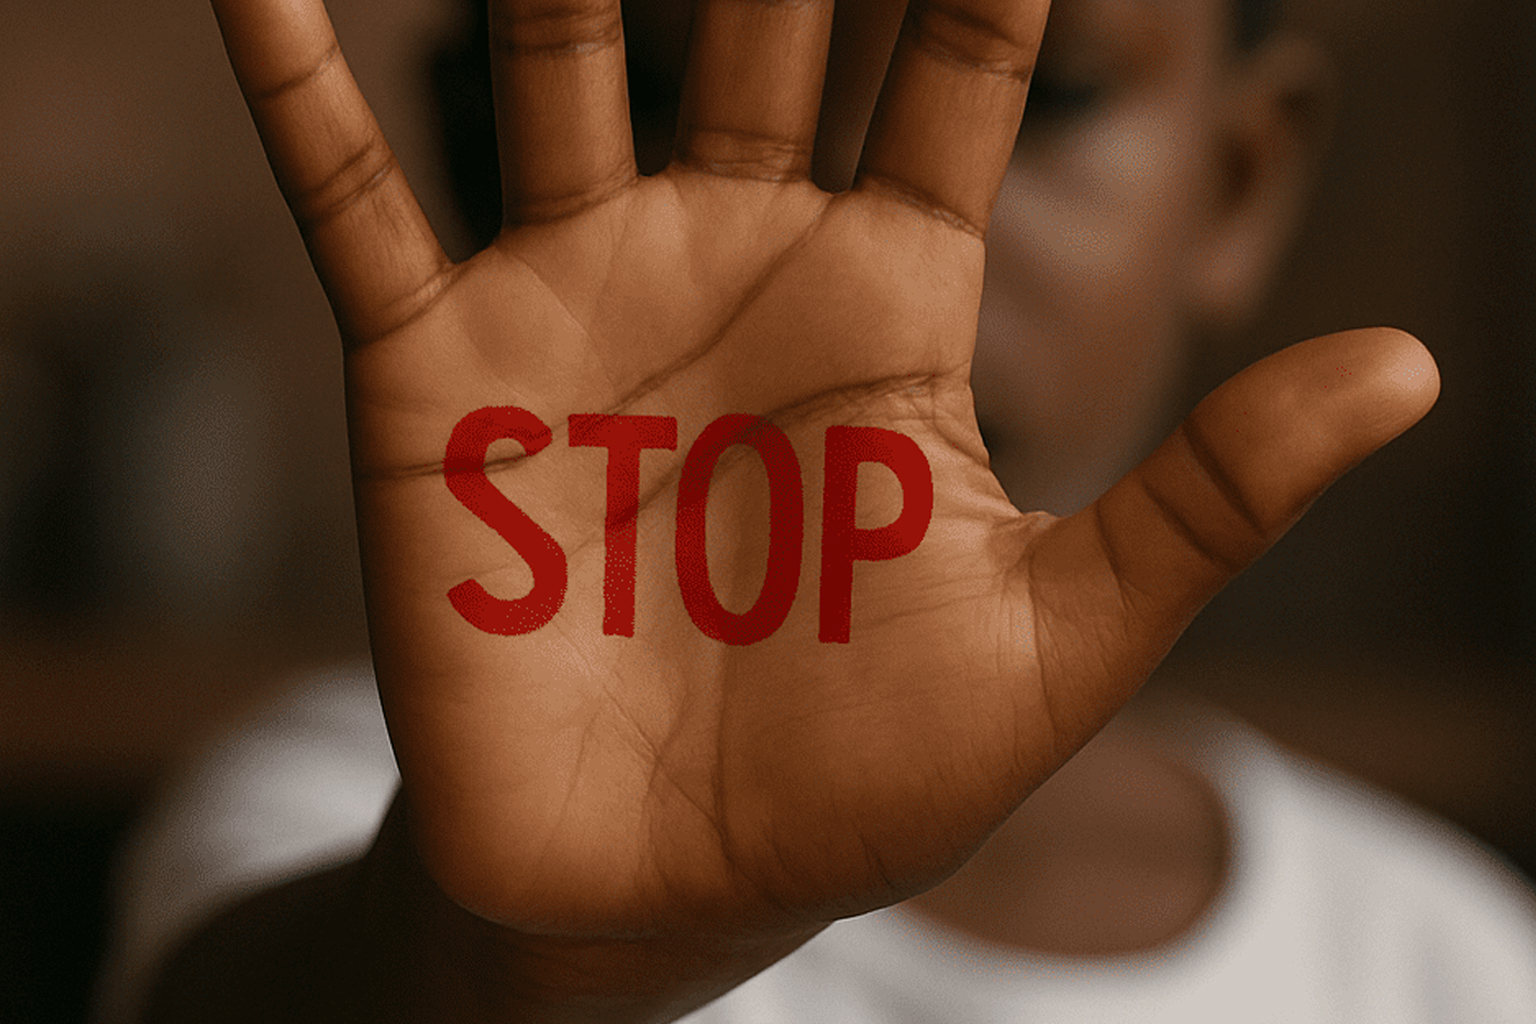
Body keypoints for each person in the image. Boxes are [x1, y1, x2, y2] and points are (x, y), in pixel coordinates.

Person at [95, 0, 1536, 1020]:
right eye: (671, 102)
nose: (846, 220)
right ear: (491, 153)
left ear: (1239, 185)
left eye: (1051, 98)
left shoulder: (1450, 965)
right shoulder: (335, 815)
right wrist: (518, 972)